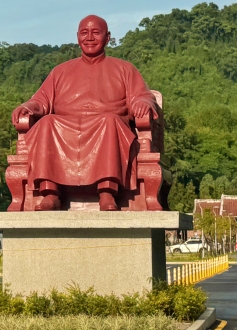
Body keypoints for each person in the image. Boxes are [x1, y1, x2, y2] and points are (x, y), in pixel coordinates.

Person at [10, 15, 159, 211]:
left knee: (109, 120)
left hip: (107, 126)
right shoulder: (60, 71)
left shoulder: (124, 69)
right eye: (84, 33)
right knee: (47, 123)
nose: (89, 37)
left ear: (107, 38)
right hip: (65, 127)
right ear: (77, 37)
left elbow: (142, 95)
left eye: (96, 33)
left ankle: (107, 192)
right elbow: (41, 100)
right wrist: (28, 107)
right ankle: (50, 192)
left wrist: (142, 103)